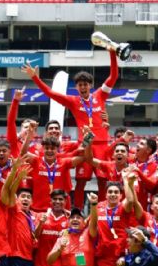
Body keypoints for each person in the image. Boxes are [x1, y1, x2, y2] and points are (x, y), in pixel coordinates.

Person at [22, 50, 118, 206]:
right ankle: (77, 212)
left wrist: (112, 53)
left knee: (103, 181)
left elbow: (113, 76)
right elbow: (50, 93)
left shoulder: (100, 95)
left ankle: (102, 210)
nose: (83, 87)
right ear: (76, 87)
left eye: (85, 84)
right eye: (80, 85)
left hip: (102, 145)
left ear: (91, 85)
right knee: (81, 182)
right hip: (85, 143)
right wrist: (34, 77)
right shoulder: (73, 101)